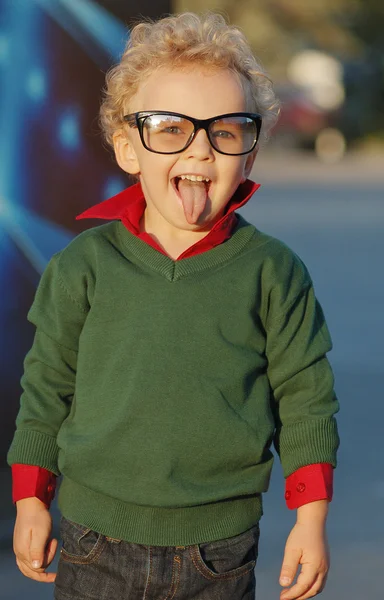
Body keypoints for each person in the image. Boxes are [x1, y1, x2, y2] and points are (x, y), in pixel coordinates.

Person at [8, 12, 339, 600]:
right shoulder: (82, 266)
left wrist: (310, 521)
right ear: (127, 149)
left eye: (226, 131)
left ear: (250, 154)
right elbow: (47, 387)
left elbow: (306, 399)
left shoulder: (274, 273)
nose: (200, 149)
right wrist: (32, 498)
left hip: (220, 550)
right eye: (168, 127)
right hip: (95, 541)